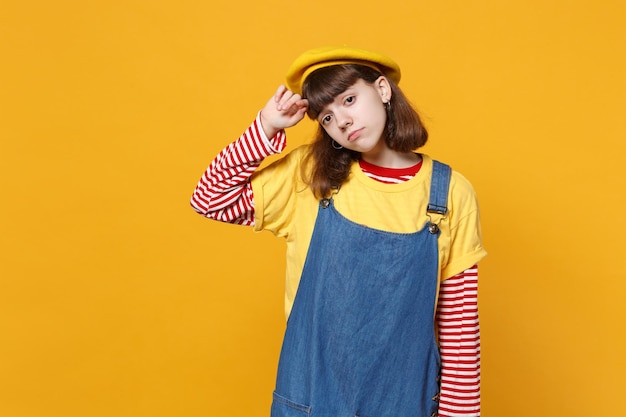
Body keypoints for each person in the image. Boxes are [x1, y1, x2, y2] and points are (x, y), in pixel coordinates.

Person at [191, 46, 487, 417]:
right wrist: (265, 127)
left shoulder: (449, 193)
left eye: (349, 99)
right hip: (311, 401)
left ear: (382, 89)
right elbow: (210, 199)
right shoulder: (310, 178)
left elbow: (459, 326)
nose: (343, 121)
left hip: (406, 404)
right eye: (327, 117)